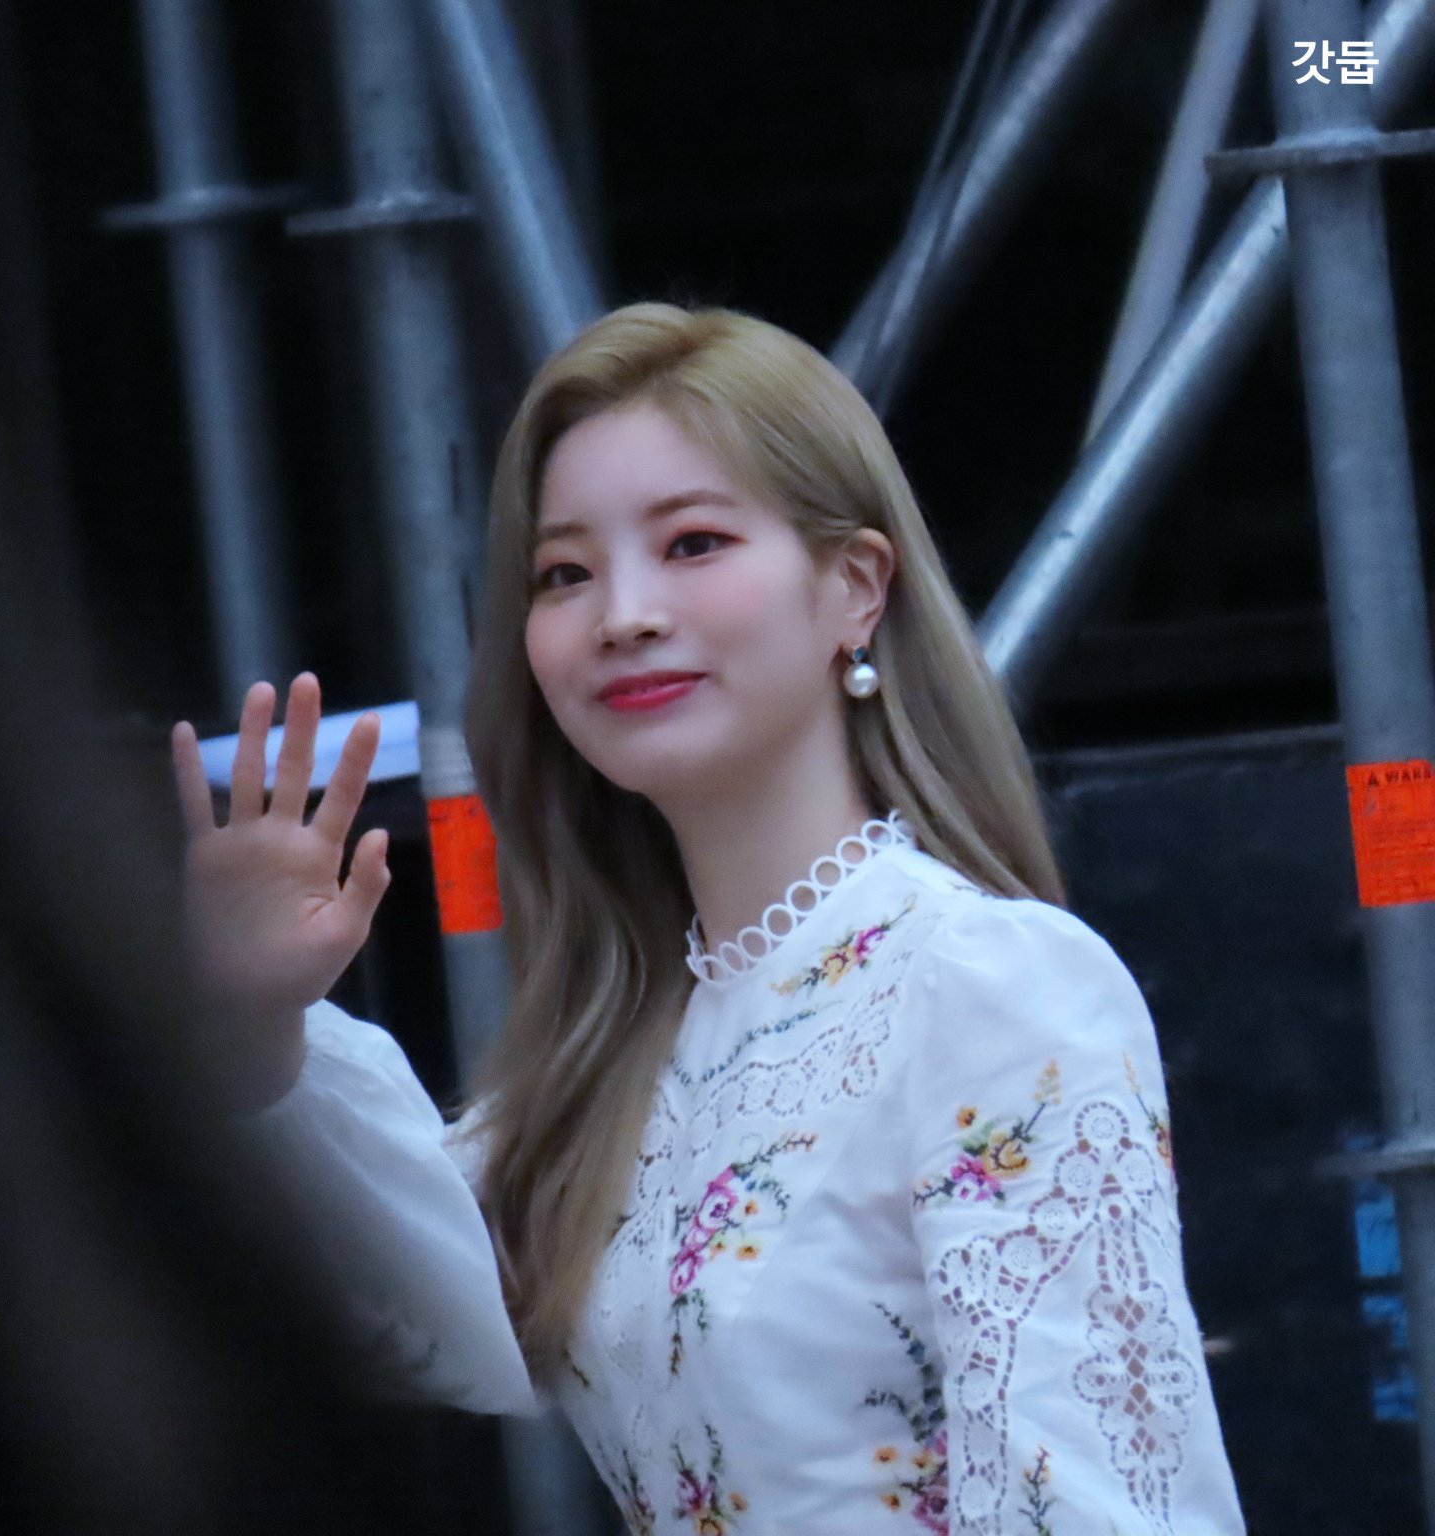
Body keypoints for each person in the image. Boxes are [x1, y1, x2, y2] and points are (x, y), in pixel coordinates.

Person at [171, 303, 1247, 1534]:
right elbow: (415, 1322)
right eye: (564, 573)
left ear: (854, 588)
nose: (621, 614)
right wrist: (259, 1031)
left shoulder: (988, 983)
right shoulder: (619, 1045)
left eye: (691, 543)